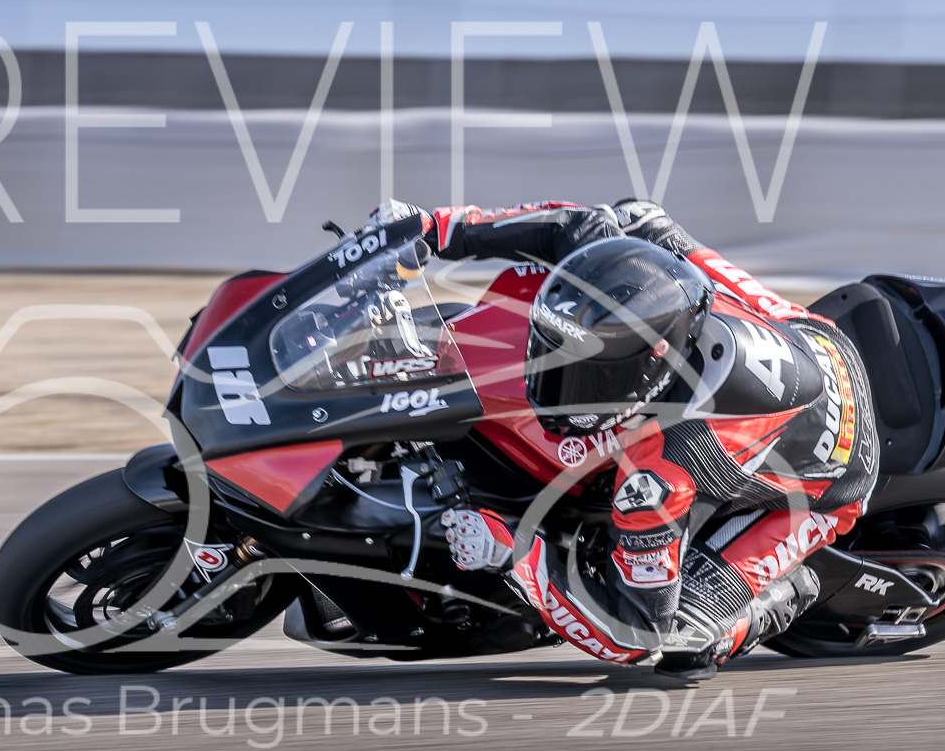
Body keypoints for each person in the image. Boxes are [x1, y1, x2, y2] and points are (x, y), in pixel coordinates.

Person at [369, 198, 879, 679]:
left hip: (833, 480)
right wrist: (435, 228)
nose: (555, 386)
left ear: (644, 374)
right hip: (812, 335)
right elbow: (576, 224)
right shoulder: (656, 294)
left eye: (587, 378)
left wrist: (514, 556)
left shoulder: (661, 473)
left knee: (678, 639)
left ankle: (786, 592)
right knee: (638, 220)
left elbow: (632, 632)